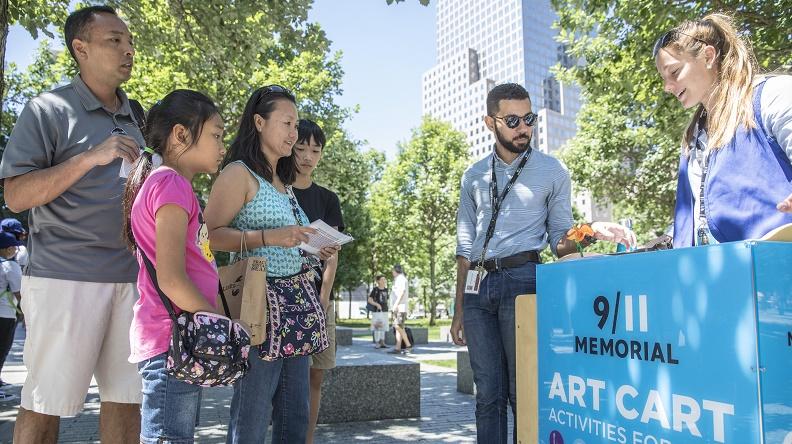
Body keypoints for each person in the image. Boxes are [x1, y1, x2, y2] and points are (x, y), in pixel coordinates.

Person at [449, 83, 634, 443]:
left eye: (529, 118)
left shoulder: (552, 171)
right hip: (477, 289)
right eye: (513, 119)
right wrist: (459, 309)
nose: (524, 128)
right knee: (487, 395)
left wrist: (589, 229)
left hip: (524, 281)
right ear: (491, 122)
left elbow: (560, 243)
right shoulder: (472, 176)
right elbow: (464, 246)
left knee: (524, 392)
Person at [0, 6, 142, 443]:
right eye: (114, 40)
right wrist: (88, 158)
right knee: (46, 404)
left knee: (127, 402)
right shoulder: (47, 109)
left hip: (132, 280)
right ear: (80, 48)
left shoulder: (137, 114)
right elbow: (16, 195)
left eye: (129, 41)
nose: (128, 49)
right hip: (66, 278)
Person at [204, 85, 339, 443]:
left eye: (296, 125)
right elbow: (209, 235)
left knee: (295, 415)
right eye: (287, 123)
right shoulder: (238, 173)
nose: (294, 134)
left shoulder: (282, 180)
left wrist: (311, 246)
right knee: (252, 411)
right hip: (257, 308)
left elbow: (284, 238)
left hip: (295, 307)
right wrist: (269, 237)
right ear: (259, 122)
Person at [121, 90, 225, 443]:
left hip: (175, 339)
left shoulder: (164, 183)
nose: (222, 146)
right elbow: (171, 278)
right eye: (216, 135)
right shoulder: (171, 183)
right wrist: (218, 320)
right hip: (172, 339)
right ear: (181, 135)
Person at [653, 13, 792, 247]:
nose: (667, 87)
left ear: (708, 56)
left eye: (674, 72)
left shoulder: (772, 95)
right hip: (722, 274)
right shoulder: (693, 137)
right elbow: (700, 214)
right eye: (663, 78)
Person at [291, 119, 344, 444]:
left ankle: (307, 439)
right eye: (301, 148)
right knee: (288, 381)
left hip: (319, 301)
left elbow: (333, 252)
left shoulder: (327, 198)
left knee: (316, 376)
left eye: (315, 149)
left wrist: (323, 299)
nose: (308, 156)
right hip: (285, 299)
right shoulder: (277, 191)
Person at [0, 232, 22, 402]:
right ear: (8, 249)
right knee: (2, 350)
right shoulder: (10, 266)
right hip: (5, 314)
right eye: (15, 247)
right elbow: (19, 292)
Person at [388, 264, 411, 354]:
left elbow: (402, 292)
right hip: (398, 307)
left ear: (395, 271)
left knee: (398, 326)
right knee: (398, 327)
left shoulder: (401, 279)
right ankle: (397, 348)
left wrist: (395, 305)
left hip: (400, 307)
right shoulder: (398, 279)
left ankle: (408, 345)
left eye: (392, 270)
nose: (392, 272)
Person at [368, 275, 389, 349]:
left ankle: (382, 342)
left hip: (385, 310)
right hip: (377, 311)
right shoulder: (375, 289)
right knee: (377, 326)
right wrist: (377, 304)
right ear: (378, 281)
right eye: (382, 279)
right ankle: (377, 342)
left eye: (384, 279)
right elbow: (369, 300)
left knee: (384, 326)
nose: (384, 281)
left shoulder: (386, 290)